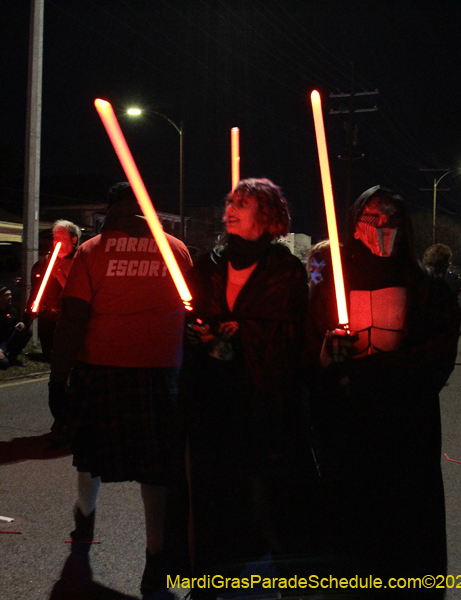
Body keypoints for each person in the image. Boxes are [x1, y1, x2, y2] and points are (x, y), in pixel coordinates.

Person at [307, 186, 461, 596]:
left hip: (405, 434)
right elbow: (305, 353)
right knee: (346, 531)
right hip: (345, 432)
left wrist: (368, 373)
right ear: (355, 222)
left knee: (405, 533)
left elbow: (435, 361)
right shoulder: (327, 285)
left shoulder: (429, 291)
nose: (382, 227)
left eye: (391, 217)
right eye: (372, 217)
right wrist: (325, 359)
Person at [48, 182, 191, 597]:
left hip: (103, 367)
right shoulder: (176, 250)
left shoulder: (92, 250)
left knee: (89, 452)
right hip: (162, 370)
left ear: (110, 209)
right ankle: (155, 555)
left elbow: (73, 318)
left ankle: (85, 516)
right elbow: (192, 310)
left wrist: (59, 377)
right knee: (156, 468)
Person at [181, 178, 312, 589]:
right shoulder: (209, 263)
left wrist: (244, 335)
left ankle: (280, 578)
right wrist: (202, 335)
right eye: (229, 202)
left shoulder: (286, 270)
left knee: (263, 496)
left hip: (262, 404)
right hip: (211, 401)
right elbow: (191, 316)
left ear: (268, 216)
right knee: (209, 494)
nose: (230, 210)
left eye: (243, 203)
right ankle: (208, 579)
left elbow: (289, 336)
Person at [29, 219, 80, 361]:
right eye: (56, 238)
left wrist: (61, 274)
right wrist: (30, 310)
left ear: (73, 240)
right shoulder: (45, 262)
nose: (57, 242)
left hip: (69, 318)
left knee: (68, 358)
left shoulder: (81, 261)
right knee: (49, 357)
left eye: (62, 238)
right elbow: (36, 289)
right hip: (48, 317)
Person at [0, 286, 32, 369]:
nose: (10, 297)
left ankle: (13, 357)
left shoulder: (11, 309)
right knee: (3, 364)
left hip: (6, 341)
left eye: (10, 295)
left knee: (27, 332)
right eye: (6, 295)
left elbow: (18, 321)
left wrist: (22, 324)